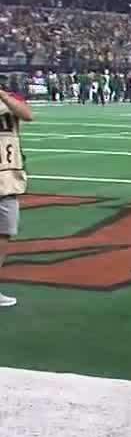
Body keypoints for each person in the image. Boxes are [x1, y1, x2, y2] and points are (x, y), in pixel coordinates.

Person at [0, 87, 34, 308]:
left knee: (4, 234)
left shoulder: (8, 97)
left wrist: (2, 95)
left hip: (8, 178)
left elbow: (28, 115)